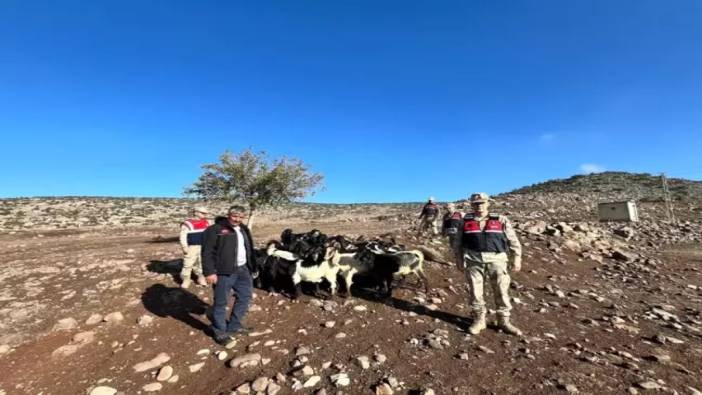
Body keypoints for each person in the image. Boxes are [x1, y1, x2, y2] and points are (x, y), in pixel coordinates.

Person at [461, 193, 523, 336]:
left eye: (482, 203)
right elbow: (458, 243)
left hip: (497, 260)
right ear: (471, 205)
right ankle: (479, 320)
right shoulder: (465, 221)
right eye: (476, 203)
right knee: (475, 292)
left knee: (501, 290)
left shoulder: (501, 219)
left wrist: (517, 258)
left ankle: (504, 321)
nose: (479, 206)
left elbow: (513, 240)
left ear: (488, 203)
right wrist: (459, 260)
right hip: (473, 260)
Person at [201, 205, 258, 346]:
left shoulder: (243, 229)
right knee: (221, 302)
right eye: (234, 216)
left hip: (243, 269)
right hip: (224, 271)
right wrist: (209, 272)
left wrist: (253, 266)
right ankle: (219, 330)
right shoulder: (215, 229)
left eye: (240, 217)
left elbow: (249, 248)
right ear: (228, 215)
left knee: (245, 297)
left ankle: (234, 325)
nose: (237, 219)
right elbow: (207, 252)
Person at [179, 206, 211, 289]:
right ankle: (186, 279)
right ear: (196, 212)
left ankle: (201, 278)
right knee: (188, 264)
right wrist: (184, 247)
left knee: (202, 263)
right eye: (202, 213)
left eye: (206, 213)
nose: (205, 215)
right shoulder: (187, 223)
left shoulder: (207, 222)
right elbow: (183, 236)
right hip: (192, 247)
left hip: (204, 246)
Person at [442, 203, 465, 267]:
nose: (448, 209)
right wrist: (443, 233)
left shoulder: (459, 214)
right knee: (455, 249)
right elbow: (444, 225)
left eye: (450, 208)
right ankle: (460, 263)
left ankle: (464, 262)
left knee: (462, 249)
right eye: (447, 208)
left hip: (460, 235)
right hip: (451, 235)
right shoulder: (446, 216)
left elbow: (466, 223)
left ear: (453, 207)